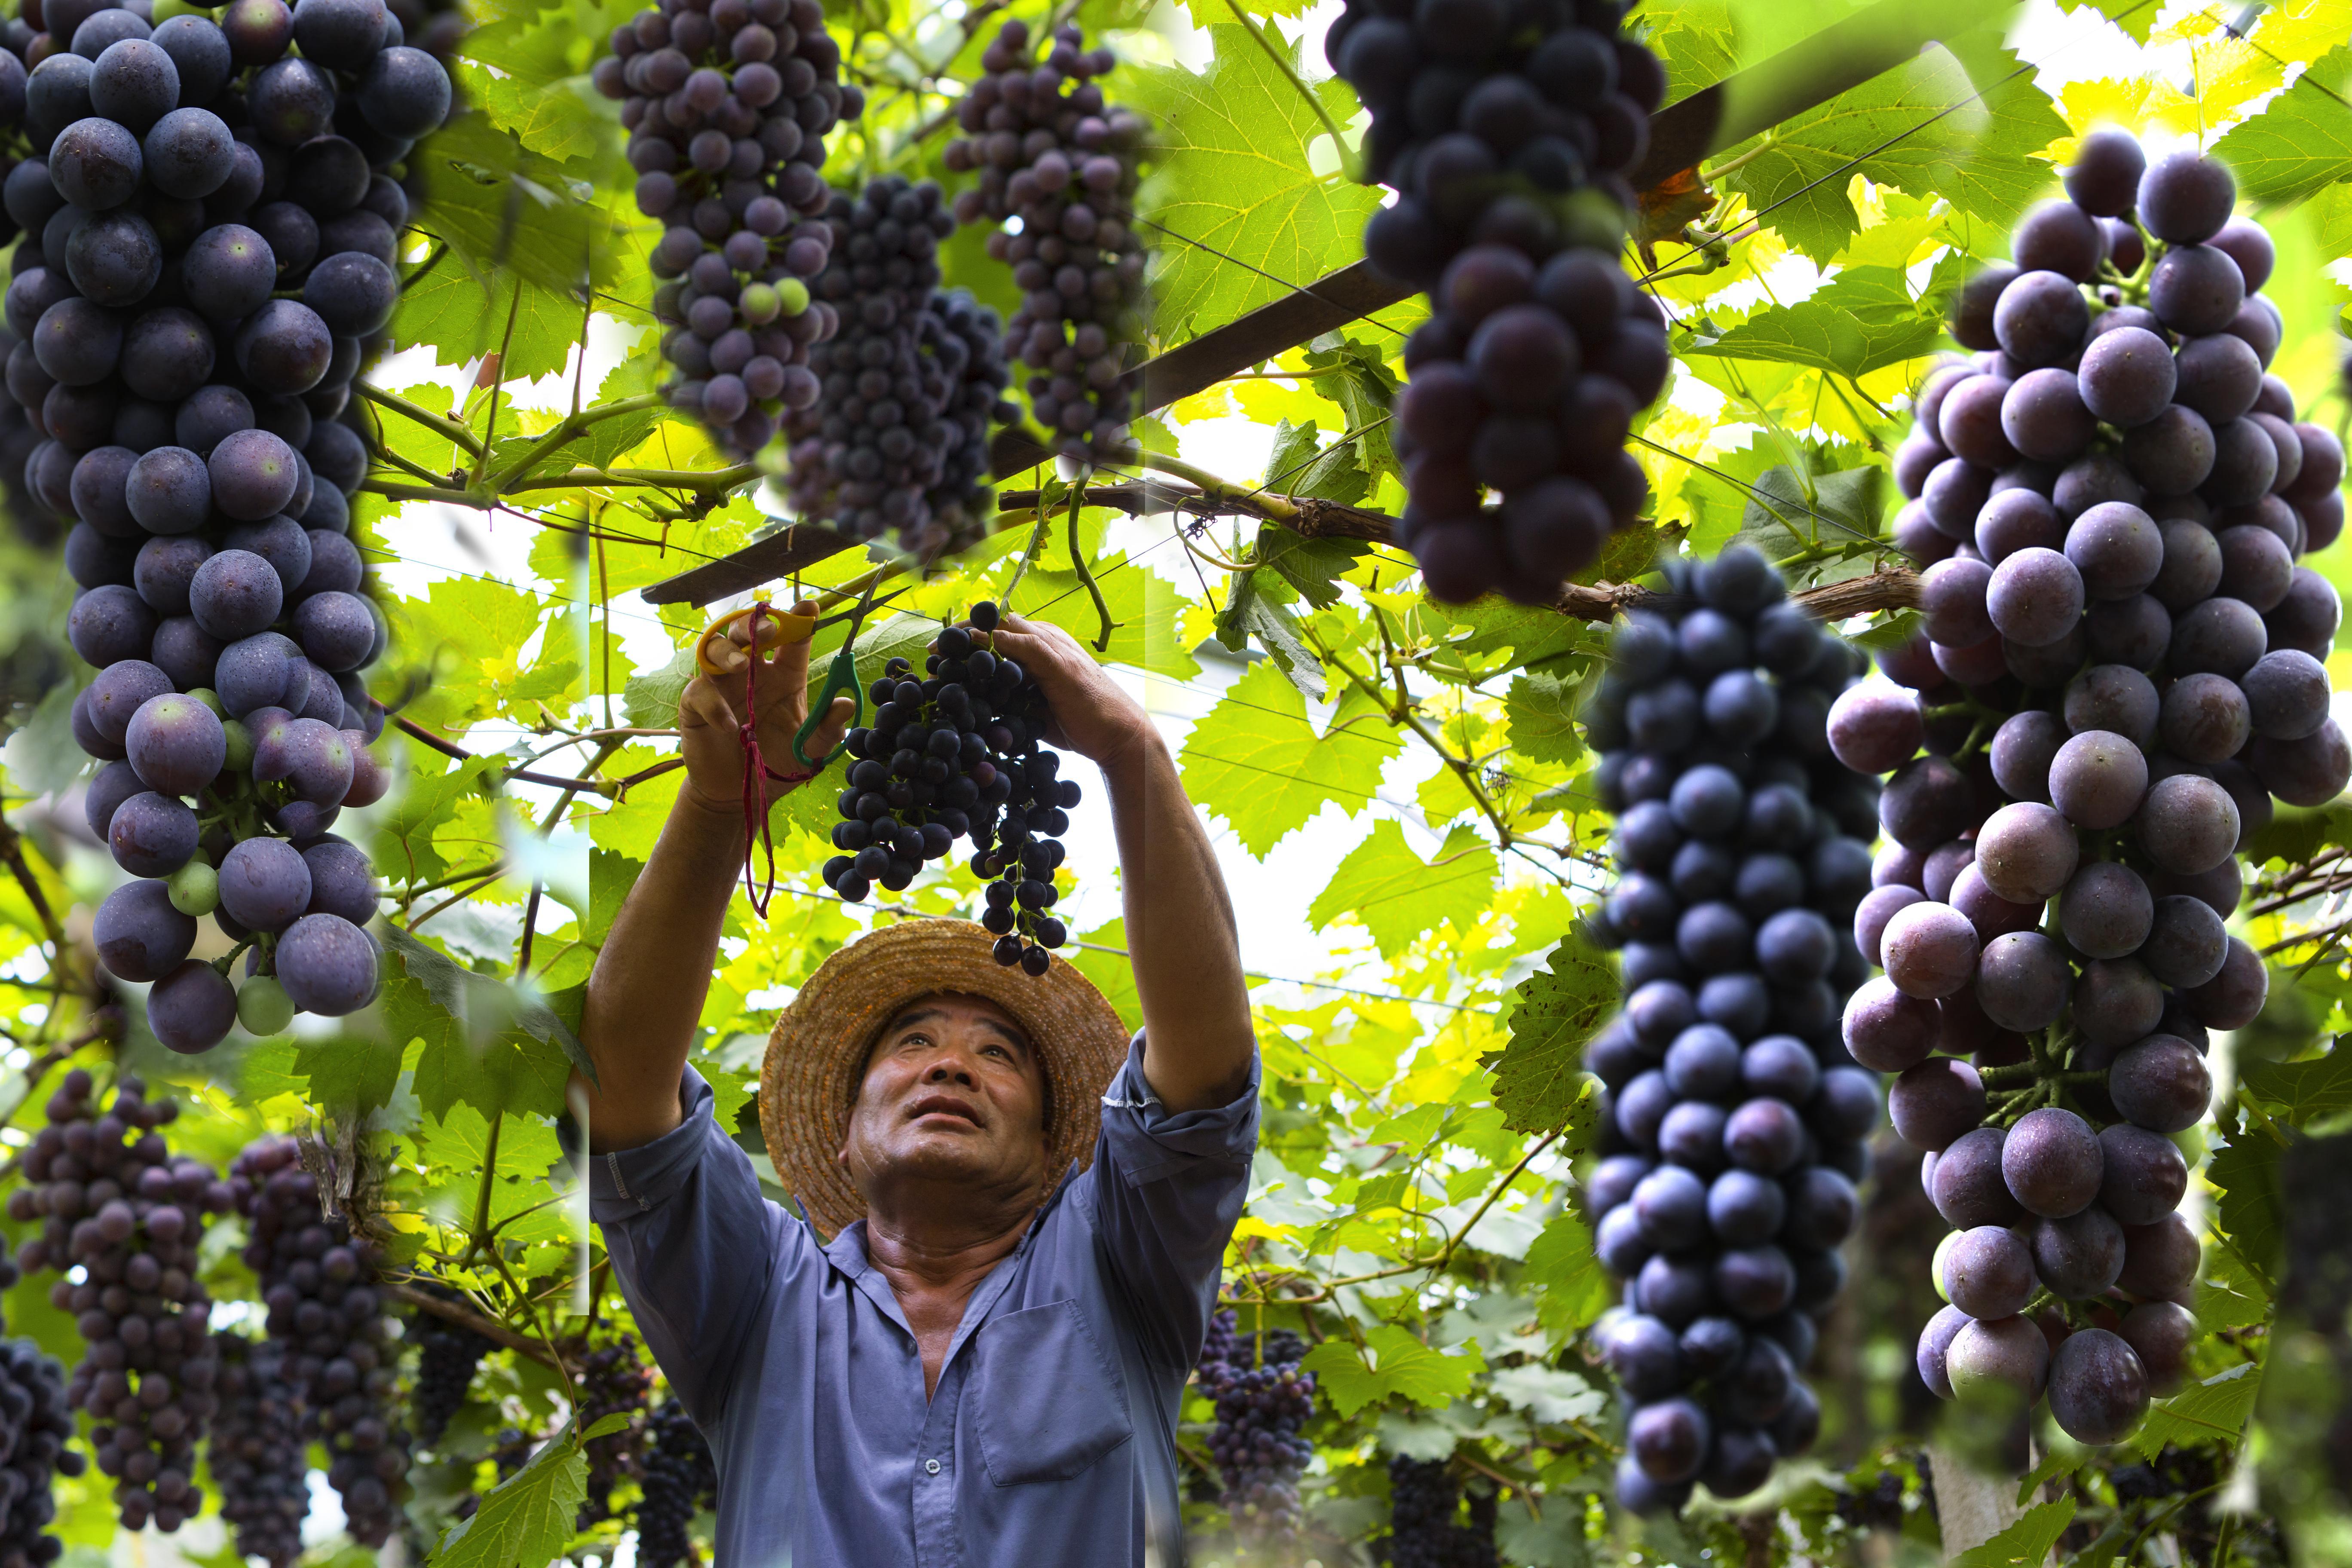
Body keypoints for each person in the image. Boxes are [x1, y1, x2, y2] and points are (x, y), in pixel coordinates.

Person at [579, 600, 1257, 1567]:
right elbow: (623, 1094)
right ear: (845, 1138)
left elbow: (1204, 1070)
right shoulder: (760, 1297)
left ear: (1057, 1145)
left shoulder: (1117, 1265)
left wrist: (1131, 753)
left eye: (998, 1055)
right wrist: (719, 805)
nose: (950, 1062)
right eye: (913, 1043)